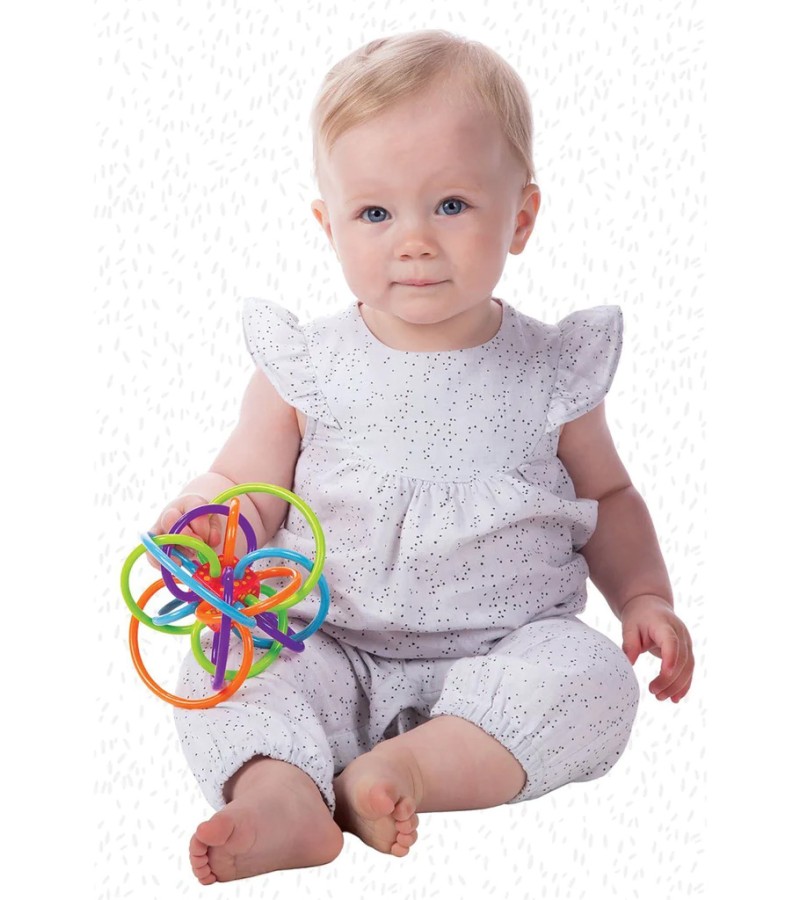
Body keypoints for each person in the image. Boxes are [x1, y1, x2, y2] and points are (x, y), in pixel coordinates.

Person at [150, 29, 694, 886]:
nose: (413, 240)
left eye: (450, 205)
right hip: (325, 639)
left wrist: (643, 595)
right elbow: (244, 484)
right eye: (375, 214)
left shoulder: (552, 371)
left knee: (594, 682)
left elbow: (612, 495)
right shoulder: (308, 368)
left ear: (520, 218)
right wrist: (207, 520)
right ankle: (282, 795)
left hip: (508, 650)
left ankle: (407, 773)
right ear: (329, 226)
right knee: (224, 663)